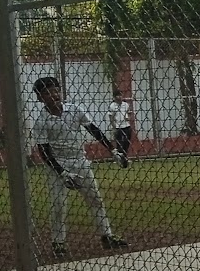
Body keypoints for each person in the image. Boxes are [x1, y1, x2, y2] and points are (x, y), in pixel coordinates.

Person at [30, 76, 126, 256]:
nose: (54, 95)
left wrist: (113, 151)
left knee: (95, 199)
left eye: (56, 90)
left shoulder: (75, 110)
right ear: (40, 98)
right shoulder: (41, 121)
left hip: (80, 161)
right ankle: (58, 242)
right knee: (58, 204)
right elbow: (44, 152)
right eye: (47, 93)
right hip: (57, 165)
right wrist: (62, 172)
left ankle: (107, 236)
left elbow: (94, 130)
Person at [107, 89, 133, 165]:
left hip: (127, 126)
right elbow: (111, 117)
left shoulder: (125, 104)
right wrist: (114, 127)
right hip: (118, 127)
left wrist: (128, 118)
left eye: (120, 95)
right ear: (114, 97)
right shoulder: (112, 106)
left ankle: (124, 158)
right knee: (120, 143)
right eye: (117, 95)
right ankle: (119, 158)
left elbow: (129, 113)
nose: (119, 97)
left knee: (126, 142)